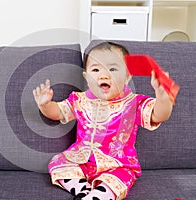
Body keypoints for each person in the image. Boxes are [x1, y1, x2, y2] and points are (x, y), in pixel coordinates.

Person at [33, 41, 175, 200]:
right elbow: (58, 112)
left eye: (113, 69)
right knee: (57, 163)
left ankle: (98, 196)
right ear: (86, 77)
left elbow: (159, 115)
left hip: (119, 165)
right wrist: (45, 105)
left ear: (127, 76)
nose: (103, 75)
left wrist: (162, 96)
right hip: (82, 160)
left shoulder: (133, 103)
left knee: (115, 182)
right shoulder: (79, 100)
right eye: (95, 69)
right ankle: (82, 189)